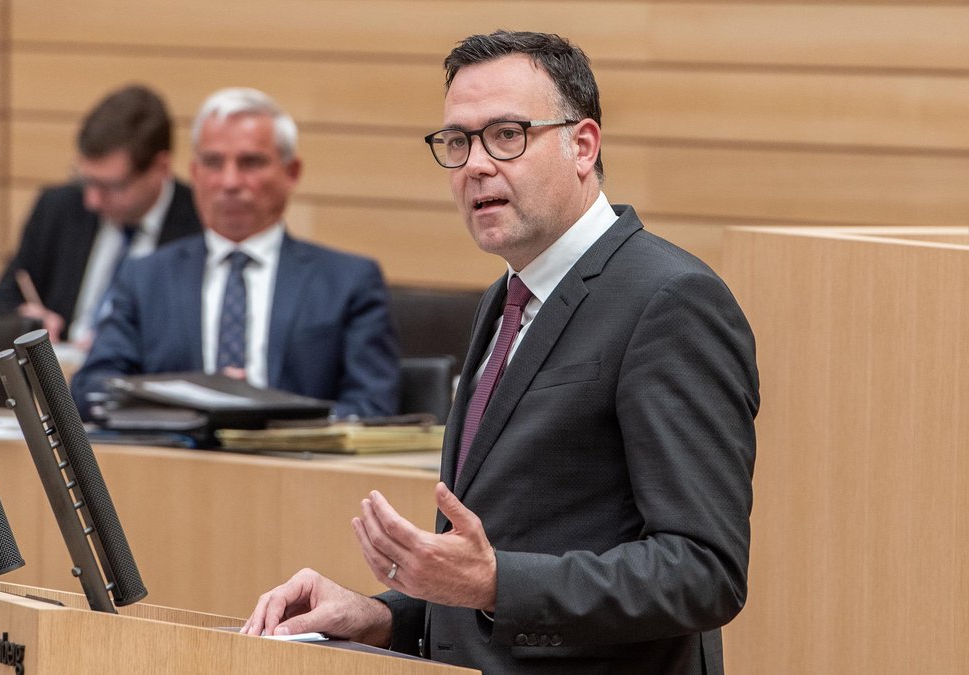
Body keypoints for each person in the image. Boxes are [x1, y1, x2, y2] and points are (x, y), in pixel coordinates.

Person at [241, 30, 759, 674]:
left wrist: (493, 583)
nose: (476, 164)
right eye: (457, 142)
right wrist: (385, 614)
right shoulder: (505, 299)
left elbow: (703, 572)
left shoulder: (672, 301)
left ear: (583, 145)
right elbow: (493, 561)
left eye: (507, 135)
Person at [70, 87, 401, 420]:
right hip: (176, 463)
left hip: (295, 466)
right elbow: (91, 391)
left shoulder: (347, 282)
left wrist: (268, 419)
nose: (230, 181)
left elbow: (372, 408)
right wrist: (191, 395)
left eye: (250, 163)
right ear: (195, 173)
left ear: (292, 172)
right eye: (213, 163)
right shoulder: (146, 278)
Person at [0, 84, 202, 345]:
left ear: (160, 168)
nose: (92, 200)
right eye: (85, 180)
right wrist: (22, 320)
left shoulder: (200, 223)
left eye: (110, 186)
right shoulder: (58, 208)